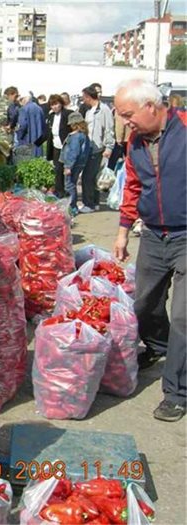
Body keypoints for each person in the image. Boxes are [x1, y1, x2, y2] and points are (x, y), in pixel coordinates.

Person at [112, 78, 186, 422]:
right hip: (154, 235)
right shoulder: (135, 142)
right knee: (145, 302)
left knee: (184, 317)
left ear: (151, 107)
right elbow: (134, 186)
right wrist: (123, 232)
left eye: (128, 114)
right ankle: (158, 348)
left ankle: (177, 391)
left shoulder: (184, 129)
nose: (126, 121)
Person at [78, 85, 115, 213]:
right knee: (92, 176)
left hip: (98, 148)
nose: (83, 100)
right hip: (89, 147)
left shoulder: (104, 110)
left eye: (84, 97)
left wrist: (109, 147)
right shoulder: (88, 111)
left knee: (88, 177)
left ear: (88, 97)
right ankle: (94, 202)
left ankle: (90, 204)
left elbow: (109, 129)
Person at [59, 112, 91, 215]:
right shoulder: (84, 135)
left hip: (73, 164)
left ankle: (72, 207)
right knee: (72, 183)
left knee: (69, 185)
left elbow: (73, 152)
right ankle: (73, 206)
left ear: (74, 124)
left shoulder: (76, 137)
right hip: (79, 164)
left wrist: (68, 166)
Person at [43, 94, 72, 197]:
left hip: (67, 147)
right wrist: (37, 143)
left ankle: (70, 194)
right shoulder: (51, 116)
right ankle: (60, 192)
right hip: (56, 147)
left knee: (69, 171)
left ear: (61, 103)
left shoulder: (69, 114)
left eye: (56, 104)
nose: (54, 107)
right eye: (52, 105)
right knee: (58, 170)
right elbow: (48, 133)